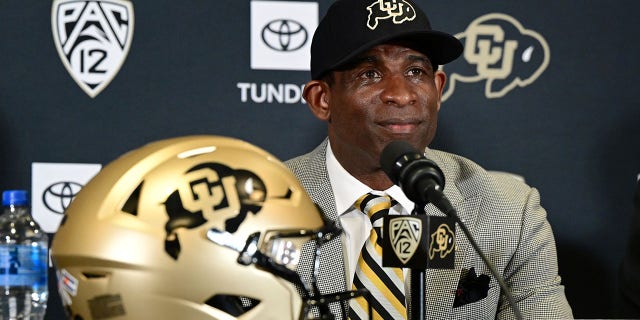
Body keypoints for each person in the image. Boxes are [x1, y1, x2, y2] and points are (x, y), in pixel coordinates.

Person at [285, 0, 573, 318]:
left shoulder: (509, 211)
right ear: (322, 99)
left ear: (437, 89)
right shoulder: (258, 208)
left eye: (415, 71)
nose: (402, 94)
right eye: (369, 74)